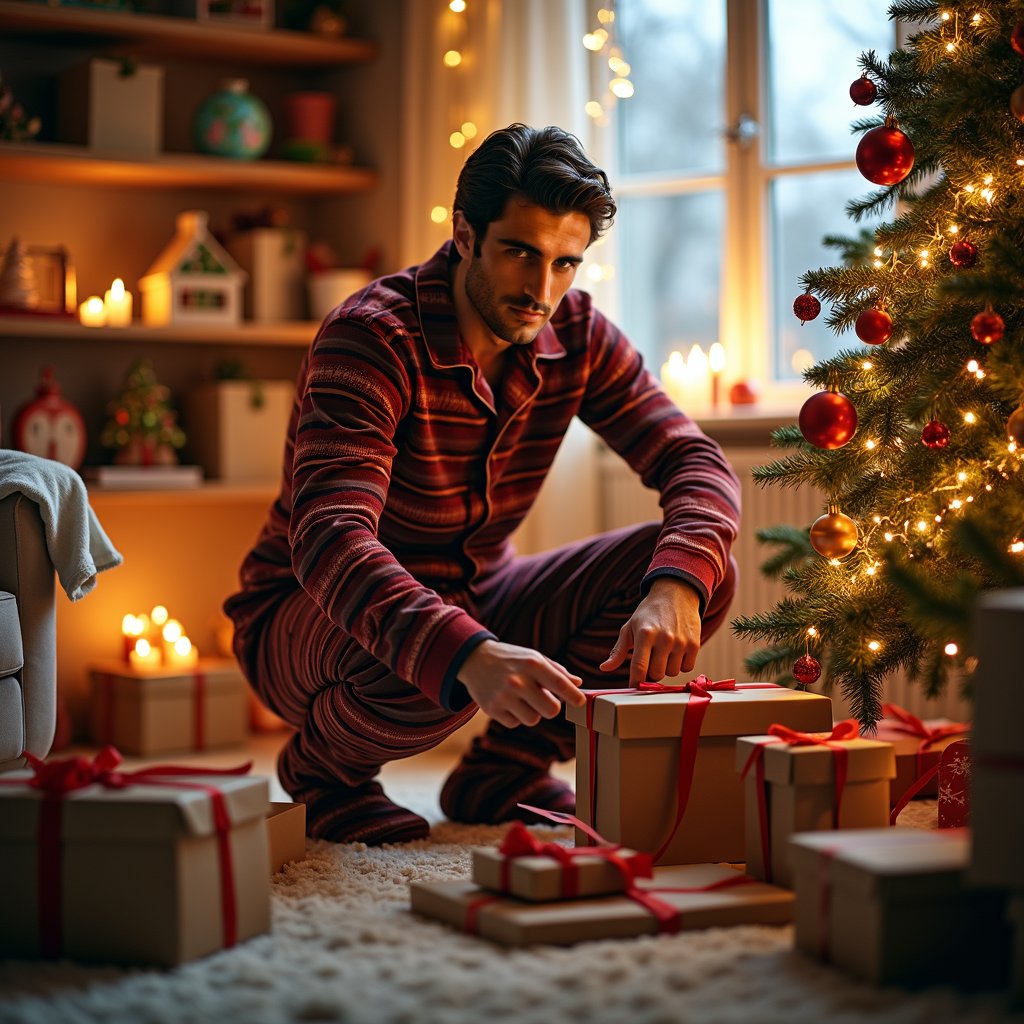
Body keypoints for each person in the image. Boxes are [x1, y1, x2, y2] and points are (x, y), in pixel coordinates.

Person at [225, 124, 740, 845]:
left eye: (566, 263)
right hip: (308, 613)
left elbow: (693, 460)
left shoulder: (578, 334)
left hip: (482, 590)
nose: (542, 290)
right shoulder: (371, 337)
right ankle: (325, 777)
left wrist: (677, 585)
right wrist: (466, 651)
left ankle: (504, 770)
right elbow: (330, 538)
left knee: (701, 570)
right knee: (431, 656)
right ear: (465, 233)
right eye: (521, 253)